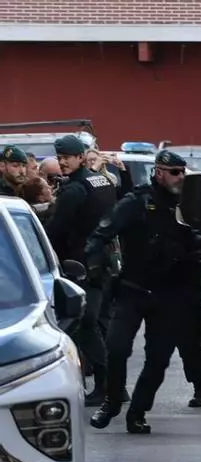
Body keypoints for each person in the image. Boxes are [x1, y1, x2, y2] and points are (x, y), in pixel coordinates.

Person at [87, 150, 201, 434]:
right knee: (116, 349)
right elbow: (100, 235)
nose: (180, 178)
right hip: (134, 288)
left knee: (158, 359)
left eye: (183, 172)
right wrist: (95, 270)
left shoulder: (189, 205)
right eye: (174, 172)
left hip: (171, 294)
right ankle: (113, 400)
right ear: (159, 172)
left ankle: (138, 412)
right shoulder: (136, 202)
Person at [45, 135, 118, 406]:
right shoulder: (102, 182)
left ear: (80, 158)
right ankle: (114, 386)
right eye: (60, 157)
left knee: (85, 325)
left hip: (79, 266)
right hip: (103, 262)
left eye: (66, 157)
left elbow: (56, 230)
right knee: (99, 323)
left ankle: (105, 385)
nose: (62, 162)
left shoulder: (75, 190)